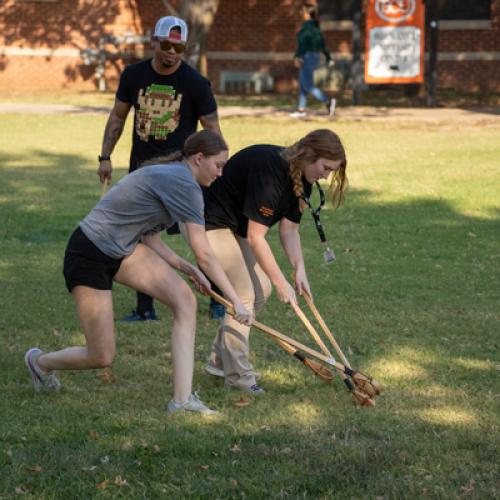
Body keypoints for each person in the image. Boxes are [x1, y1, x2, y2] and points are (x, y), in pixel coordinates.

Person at [25, 130, 252, 415]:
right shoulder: (186, 186)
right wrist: (236, 301)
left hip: (123, 250)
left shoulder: (177, 176)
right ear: (198, 159)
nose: (220, 173)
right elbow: (205, 253)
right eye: (218, 166)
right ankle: (39, 362)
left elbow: (151, 238)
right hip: (89, 253)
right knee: (102, 355)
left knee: (185, 300)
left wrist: (186, 268)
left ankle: (181, 402)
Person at [97, 15, 223, 322]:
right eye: (166, 45)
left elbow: (213, 128)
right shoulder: (133, 75)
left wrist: (219, 167)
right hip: (143, 172)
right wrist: (105, 156)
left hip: (183, 173)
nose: (171, 52)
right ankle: (145, 308)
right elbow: (117, 118)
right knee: (142, 234)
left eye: (178, 48)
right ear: (154, 41)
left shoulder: (195, 83)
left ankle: (218, 298)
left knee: (202, 236)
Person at [202, 129, 348, 393]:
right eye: (325, 167)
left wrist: (299, 269)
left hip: (237, 226)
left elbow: (289, 229)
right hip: (209, 222)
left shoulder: (302, 179)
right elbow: (257, 237)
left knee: (261, 291)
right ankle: (239, 378)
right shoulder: (269, 171)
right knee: (245, 295)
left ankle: (219, 361)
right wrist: (281, 281)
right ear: (309, 155)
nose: (326, 175)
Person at [290, 2, 336, 119]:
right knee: (302, 83)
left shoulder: (306, 27)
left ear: (306, 14)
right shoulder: (316, 28)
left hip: (307, 56)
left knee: (307, 85)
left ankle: (328, 102)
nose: (301, 14)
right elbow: (323, 45)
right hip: (315, 56)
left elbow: (302, 44)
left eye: (302, 12)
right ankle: (301, 110)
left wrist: (297, 56)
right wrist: (328, 57)